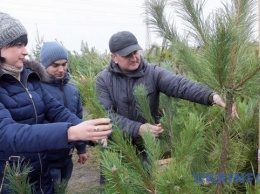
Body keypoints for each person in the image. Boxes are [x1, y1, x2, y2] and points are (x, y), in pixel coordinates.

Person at [0, 12, 112, 194]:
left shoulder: (30, 78)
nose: (26, 51)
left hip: (41, 173)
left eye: (25, 44)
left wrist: (88, 130)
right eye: (18, 45)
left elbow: (56, 110)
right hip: (10, 180)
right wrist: (70, 132)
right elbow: (7, 133)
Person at [96, 31, 227, 167]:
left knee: (150, 185)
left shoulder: (152, 73)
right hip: (117, 148)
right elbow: (106, 115)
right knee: (115, 186)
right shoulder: (103, 80)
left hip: (148, 147)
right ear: (114, 57)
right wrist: (138, 129)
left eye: (135, 52)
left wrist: (211, 96)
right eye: (127, 55)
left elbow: (180, 84)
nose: (134, 58)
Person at [40, 41, 87, 188]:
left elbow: (78, 118)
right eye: (55, 65)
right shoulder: (38, 89)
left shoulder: (73, 89)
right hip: (47, 158)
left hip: (67, 157)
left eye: (64, 64)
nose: (61, 69)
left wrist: (81, 148)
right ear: (44, 65)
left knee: (62, 188)